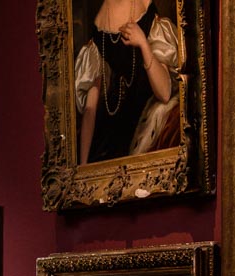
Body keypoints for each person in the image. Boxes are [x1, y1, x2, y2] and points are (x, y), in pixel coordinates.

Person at [74, 0, 178, 164]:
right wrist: (83, 167)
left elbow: (165, 93)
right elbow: (90, 108)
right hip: (114, 128)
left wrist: (143, 43)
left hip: (145, 119)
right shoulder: (100, 22)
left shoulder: (147, 10)